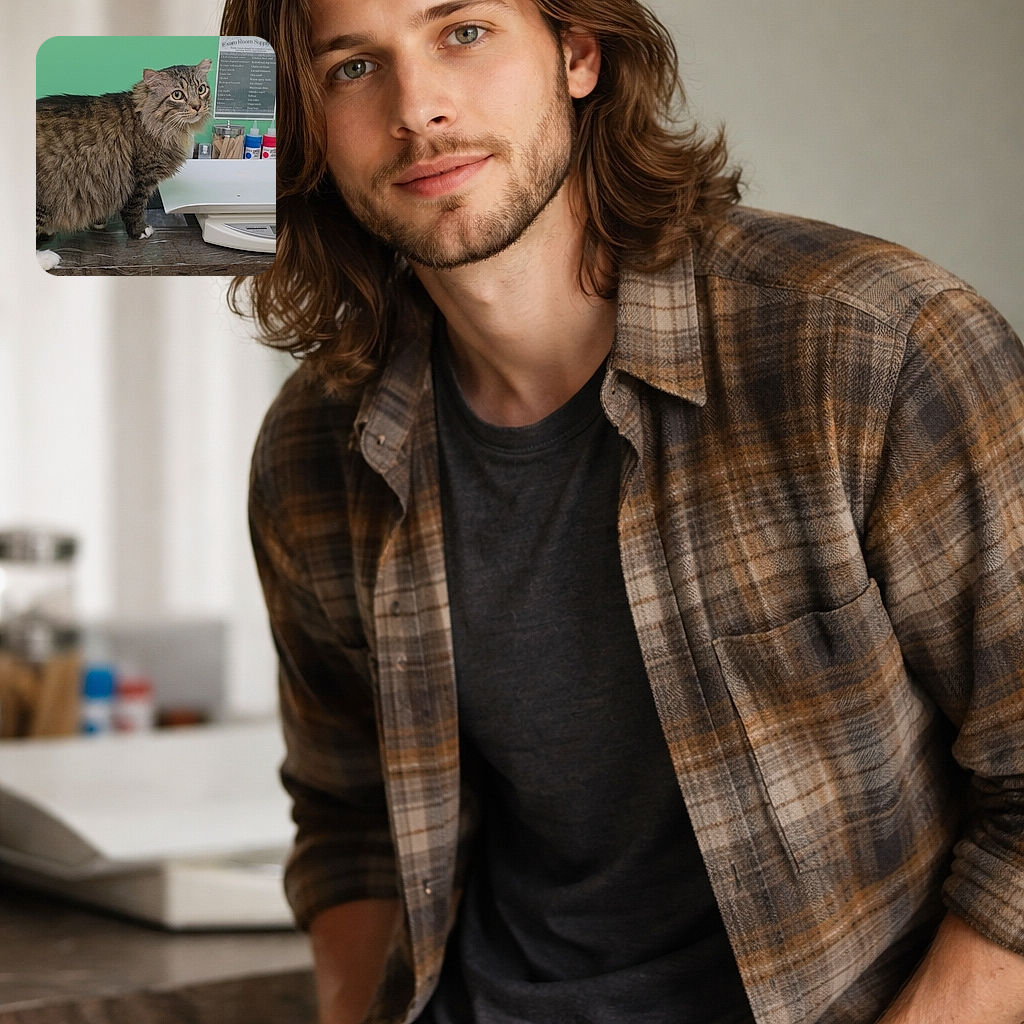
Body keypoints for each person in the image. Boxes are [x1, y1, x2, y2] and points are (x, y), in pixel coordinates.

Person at [220, 0, 1024, 1021]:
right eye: (347, 69)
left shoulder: (874, 352)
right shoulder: (311, 451)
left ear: (579, 53)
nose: (417, 108)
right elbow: (348, 819)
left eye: (462, 32)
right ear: (297, 123)